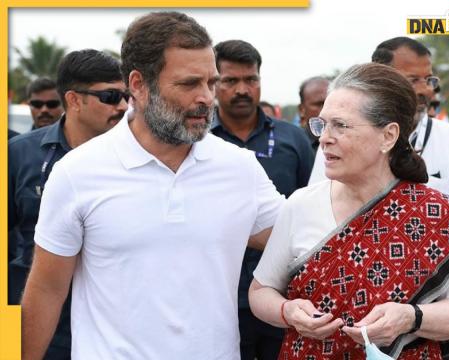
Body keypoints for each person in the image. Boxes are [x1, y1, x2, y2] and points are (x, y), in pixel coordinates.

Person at [21, 12, 284, 360]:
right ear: (139, 84)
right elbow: (46, 293)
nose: (206, 97)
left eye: (210, 82)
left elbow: (300, 241)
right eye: (189, 84)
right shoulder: (77, 173)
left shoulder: (239, 169)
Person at [249, 63, 449, 359]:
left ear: (388, 136)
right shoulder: (301, 205)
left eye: (341, 126)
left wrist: (411, 317)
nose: (324, 138)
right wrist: (287, 311)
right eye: (322, 125)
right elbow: (259, 293)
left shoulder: (433, 212)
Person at [309, 37, 449, 290]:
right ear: (381, 81)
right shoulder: (338, 142)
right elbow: (317, 212)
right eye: (412, 80)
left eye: (429, 79)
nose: (425, 90)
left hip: (436, 290)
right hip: (351, 282)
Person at [9, 49, 128, 359]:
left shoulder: (138, 159)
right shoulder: (19, 155)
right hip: (32, 314)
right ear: (75, 100)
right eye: (111, 96)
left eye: (128, 96)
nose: (124, 106)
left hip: (111, 323)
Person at [211, 39, 314, 360]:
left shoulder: (292, 139)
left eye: (250, 80)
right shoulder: (197, 142)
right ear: (214, 84)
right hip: (216, 295)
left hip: (284, 296)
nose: (242, 89)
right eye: (230, 81)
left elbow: (312, 210)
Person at [298, 76, 329, 154]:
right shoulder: (295, 147)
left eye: (329, 103)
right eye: (319, 104)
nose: (326, 110)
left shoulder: (348, 140)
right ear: (302, 110)